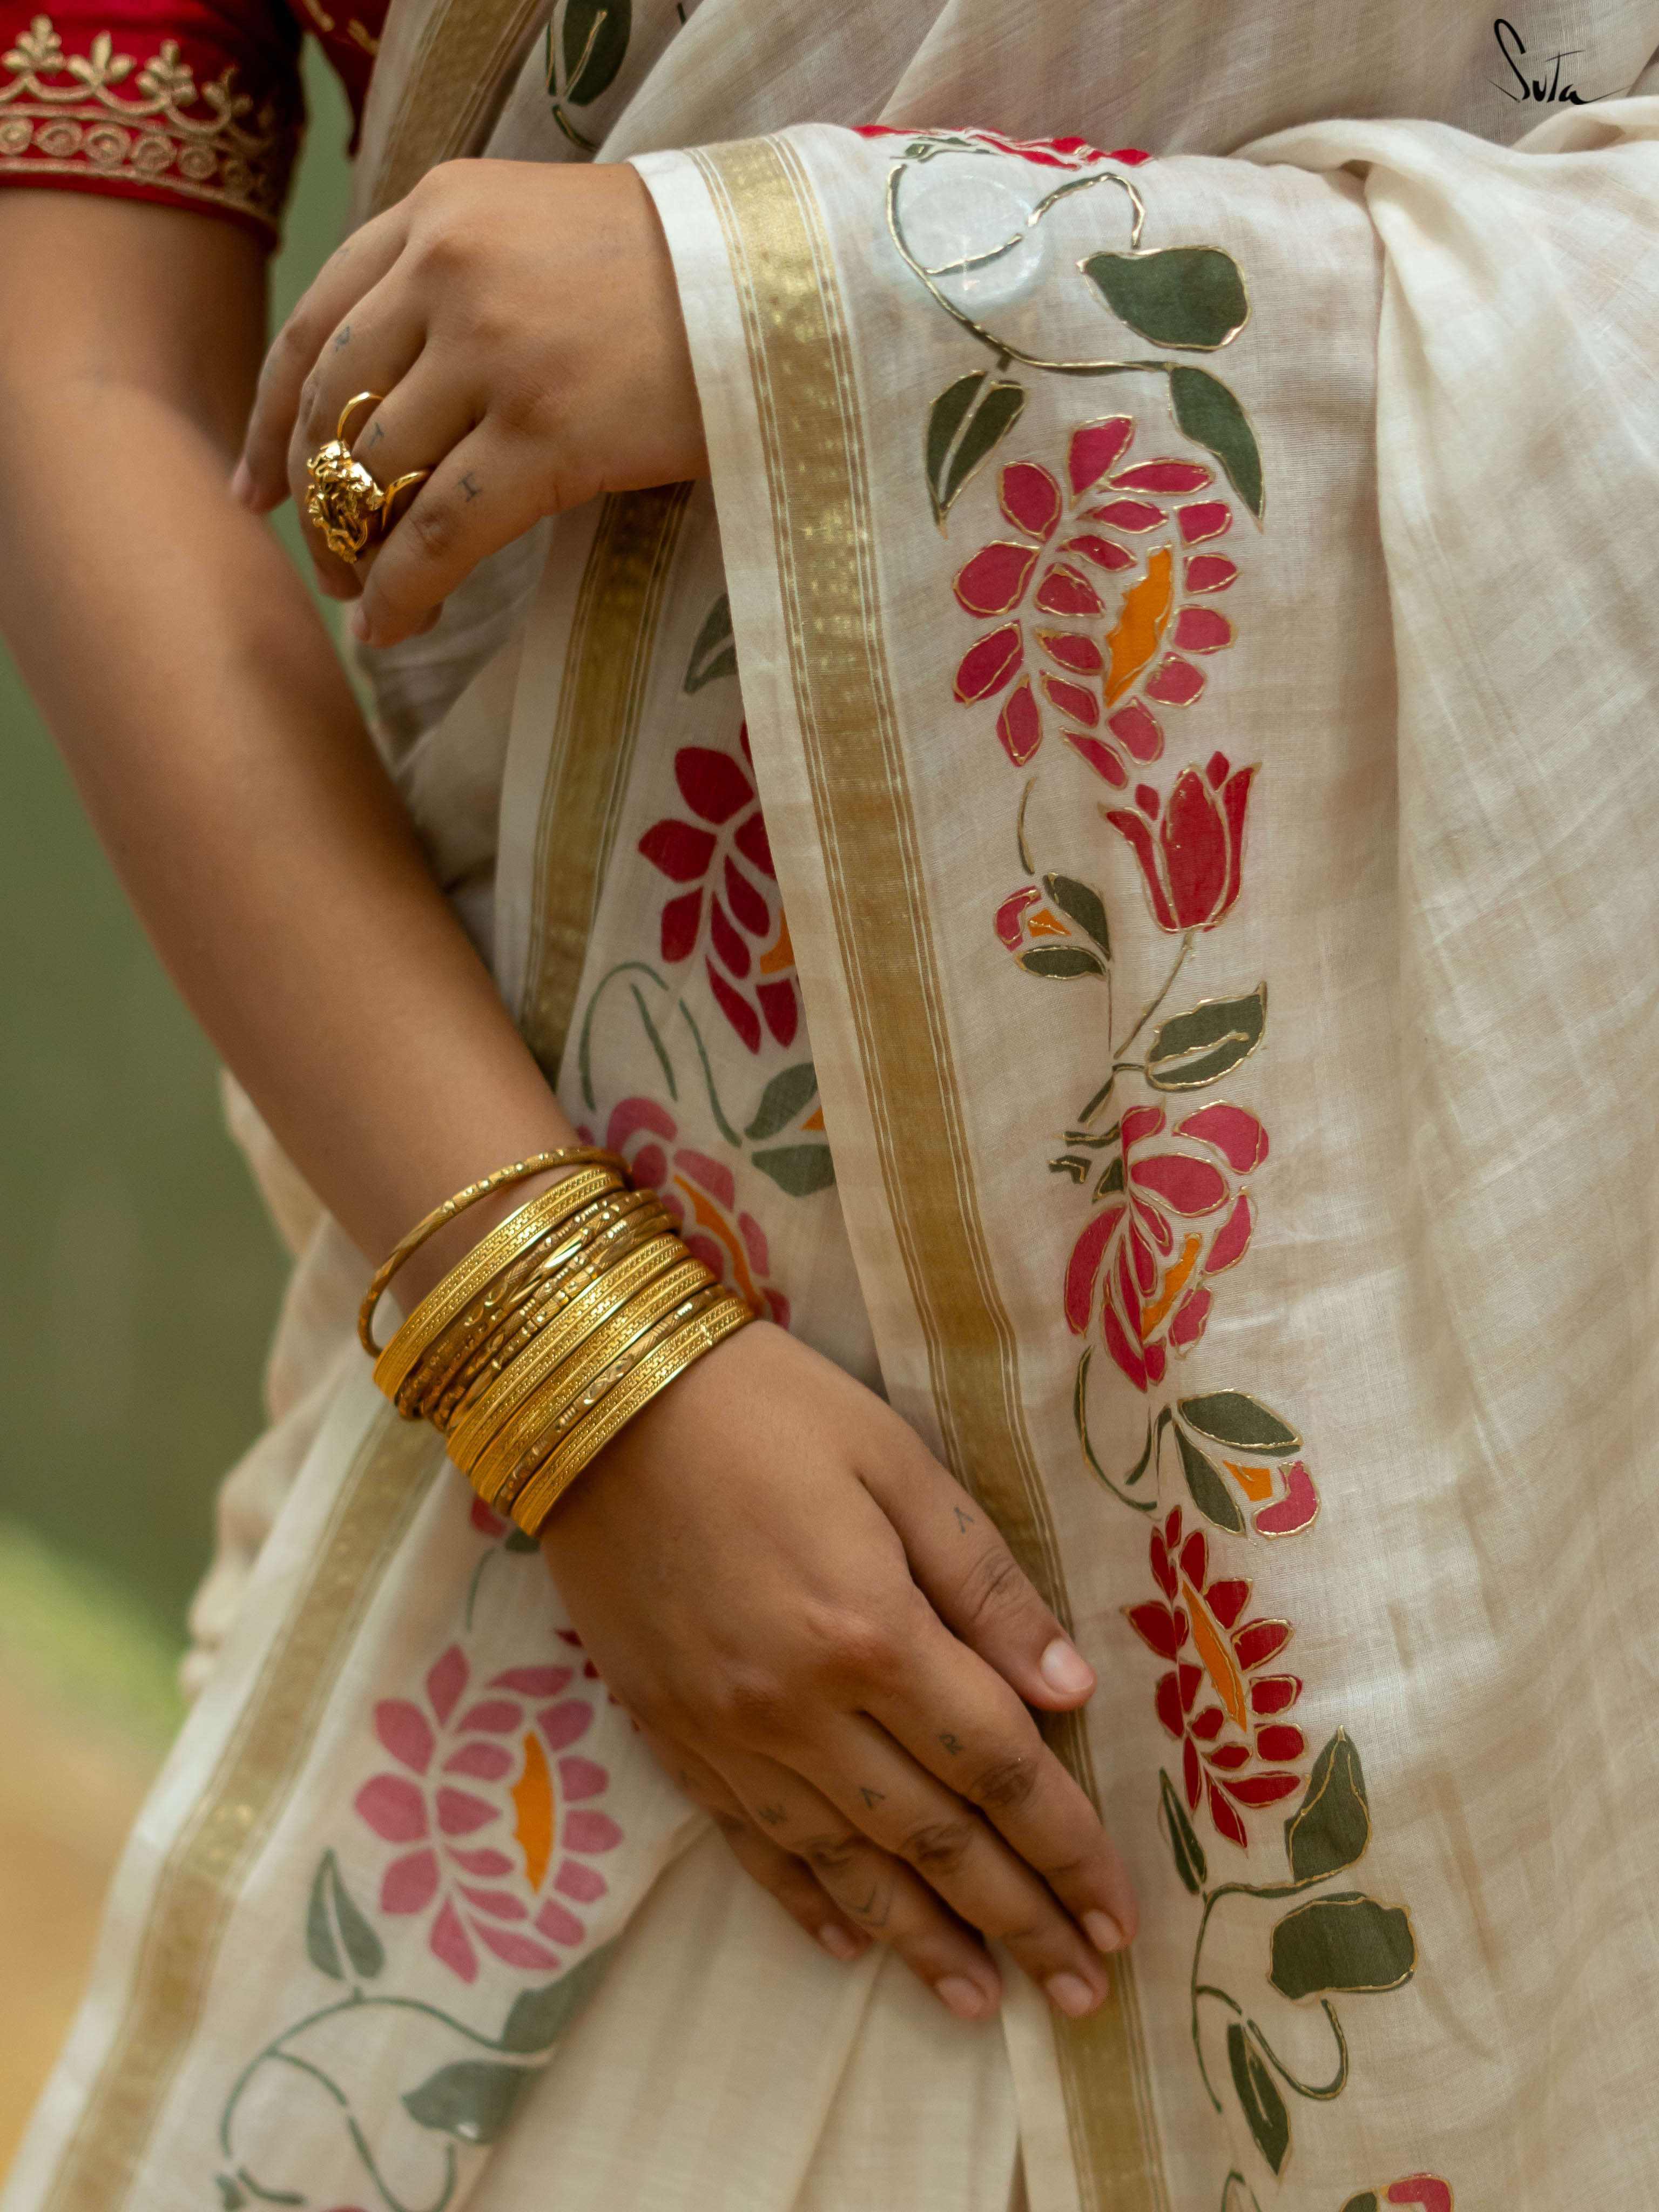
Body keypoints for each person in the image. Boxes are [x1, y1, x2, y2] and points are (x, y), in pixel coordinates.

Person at [3, 2, 1658, 2207]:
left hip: (1463, 1473)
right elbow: (85, 385)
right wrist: (581, 1365)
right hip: (589, 1421)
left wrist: (798, 298)